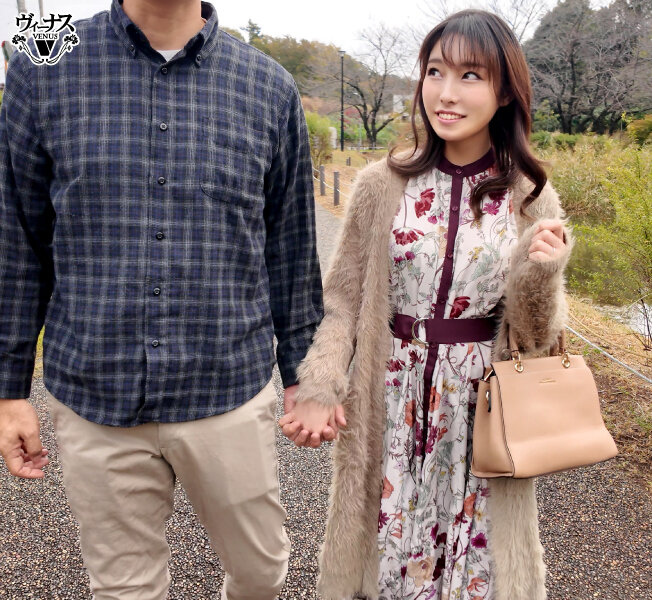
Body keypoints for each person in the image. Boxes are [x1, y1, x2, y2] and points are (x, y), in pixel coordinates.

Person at [0, 1, 324, 599]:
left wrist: (307, 376)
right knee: (123, 588)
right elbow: (16, 237)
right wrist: (9, 389)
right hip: (95, 388)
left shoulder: (269, 85)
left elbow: (292, 247)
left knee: (262, 571)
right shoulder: (45, 64)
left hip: (226, 385)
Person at [280, 9, 572, 600]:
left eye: (470, 76)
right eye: (435, 71)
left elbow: (535, 339)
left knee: (474, 565)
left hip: (480, 404)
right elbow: (343, 301)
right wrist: (319, 384)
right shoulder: (380, 183)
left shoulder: (530, 197)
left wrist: (542, 274)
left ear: (504, 92)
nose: (446, 92)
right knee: (384, 552)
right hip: (393, 393)